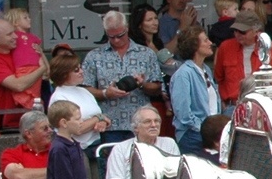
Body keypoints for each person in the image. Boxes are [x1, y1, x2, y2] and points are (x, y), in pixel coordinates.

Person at [79, 8, 164, 141]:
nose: (116, 40)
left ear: (127, 28)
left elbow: (157, 88)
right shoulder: (94, 56)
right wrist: (106, 93)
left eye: (120, 35)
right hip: (109, 125)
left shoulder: (146, 54)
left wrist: (141, 85)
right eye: (111, 37)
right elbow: (84, 90)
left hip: (141, 125)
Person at [0, 17, 43, 132]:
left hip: (37, 116)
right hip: (12, 122)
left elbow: (39, 52)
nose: (15, 36)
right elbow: (18, 86)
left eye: (14, 32)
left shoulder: (18, 48)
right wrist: (42, 69)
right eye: (9, 34)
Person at [45, 49, 111, 149]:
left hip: (97, 144)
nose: (81, 71)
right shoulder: (59, 97)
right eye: (76, 70)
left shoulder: (84, 91)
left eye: (80, 68)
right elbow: (76, 129)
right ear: (64, 74)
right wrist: (98, 118)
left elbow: (101, 116)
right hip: (77, 148)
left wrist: (103, 122)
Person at [168, 27, 220, 155]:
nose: (210, 43)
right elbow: (183, 113)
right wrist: (204, 130)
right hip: (192, 136)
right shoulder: (183, 74)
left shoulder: (206, 69)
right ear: (194, 46)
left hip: (210, 135)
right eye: (205, 40)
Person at [103, 107, 179, 179]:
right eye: (147, 122)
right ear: (136, 128)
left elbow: (177, 177)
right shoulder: (120, 149)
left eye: (156, 121)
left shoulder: (169, 143)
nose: (154, 125)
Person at [214, 11, 272, 92]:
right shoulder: (225, 47)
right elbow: (219, 78)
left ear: (256, 31)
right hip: (233, 102)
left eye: (242, 31)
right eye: (235, 30)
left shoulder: (267, 46)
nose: (237, 34)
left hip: (259, 100)